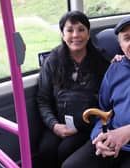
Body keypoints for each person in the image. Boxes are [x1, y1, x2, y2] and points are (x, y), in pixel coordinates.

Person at [37, 10, 111, 168]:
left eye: (81, 29)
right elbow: (43, 99)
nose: (76, 35)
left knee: (66, 149)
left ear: (88, 33)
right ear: (62, 34)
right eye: (70, 30)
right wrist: (54, 125)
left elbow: (110, 99)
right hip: (58, 122)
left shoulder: (102, 61)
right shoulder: (52, 61)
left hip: (87, 126)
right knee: (46, 150)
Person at [62, 16, 130, 168]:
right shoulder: (115, 69)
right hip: (112, 139)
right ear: (121, 44)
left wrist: (126, 132)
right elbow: (103, 110)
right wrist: (98, 136)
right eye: (127, 38)